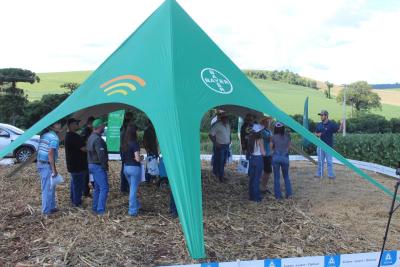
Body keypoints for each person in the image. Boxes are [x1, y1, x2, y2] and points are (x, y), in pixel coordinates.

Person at [36, 121, 62, 215]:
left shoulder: (45, 134)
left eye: (59, 123)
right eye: (57, 124)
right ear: (52, 126)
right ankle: (46, 211)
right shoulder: (54, 137)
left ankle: (51, 207)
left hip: (41, 163)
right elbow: (50, 153)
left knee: (50, 187)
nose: (60, 125)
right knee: (47, 188)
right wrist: (54, 169)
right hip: (46, 164)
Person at [87, 118, 109, 215]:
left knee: (97, 188)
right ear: (99, 127)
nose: (104, 127)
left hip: (91, 164)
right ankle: (100, 210)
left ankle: (95, 208)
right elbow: (101, 154)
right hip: (97, 165)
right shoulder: (98, 139)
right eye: (103, 126)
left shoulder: (91, 137)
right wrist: (105, 166)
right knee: (104, 187)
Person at [65, 118, 87, 207]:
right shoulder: (73, 137)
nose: (77, 125)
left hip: (73, 164)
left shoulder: (69, 136)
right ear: (70, 125)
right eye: (76, 123)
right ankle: (77, 203)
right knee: (78, 185)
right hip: (77, 165)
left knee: (74, 183)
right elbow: (84, 149)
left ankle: (73, 199)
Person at [121, 124, 142, 216]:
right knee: (133, 189)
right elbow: (137, 159)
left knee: (132, 188)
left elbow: (122, 158)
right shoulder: (134, 143)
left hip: (126, 168)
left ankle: (137, 205)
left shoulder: (123, 144)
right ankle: (132, 210)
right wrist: (141, 157)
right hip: (134, 168)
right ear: (134, 133)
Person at [315, 110, 343, 179]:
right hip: (320, 146)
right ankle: (319, 174)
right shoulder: (319, 124)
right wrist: (318, 134)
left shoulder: (331, 124)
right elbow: (315, 133)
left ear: (326, 116)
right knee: (320, 161)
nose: (321, 117)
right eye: (320, 115)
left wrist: (342, 124)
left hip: (328, 147)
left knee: (329, 162)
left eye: (322, 115)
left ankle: (330, 175)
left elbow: (339, 130)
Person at [271, 122, 292, 199]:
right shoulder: (288, 136)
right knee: (286, 176)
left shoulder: (273, 137)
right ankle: (289, 194)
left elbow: (271, 148)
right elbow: (289, 148)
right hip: (285, 157)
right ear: (283, 128)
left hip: (276, 157)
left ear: (275, 128)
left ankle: (278, 196)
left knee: (276, 177)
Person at [209, 111, 231, 182]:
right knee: (220, 161)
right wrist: (215, 143)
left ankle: (218, 174)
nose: (226, 119)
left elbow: (229, 134)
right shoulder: (217, 125)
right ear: (221, 118)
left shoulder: (228, 125)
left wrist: (230, 139)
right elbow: (210, 134)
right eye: (224, 118)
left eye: (227, 118)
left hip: (227, 145)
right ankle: (220, 176)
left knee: (224, 161)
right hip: (220, 146)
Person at [247, 124, 266, 202]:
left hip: (252, 158)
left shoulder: (250, 138)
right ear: (259, 131)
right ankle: (257, 198)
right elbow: (263, 152)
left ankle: (251, 196)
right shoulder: (260, 139)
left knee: (252, 178)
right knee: (257, 179)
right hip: (258, 159)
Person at [81, 116, 95, 197]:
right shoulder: (86, 131)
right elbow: (84, 142)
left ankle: (87, 190)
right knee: (87, 174)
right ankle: (86, 191)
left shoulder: (88, 130)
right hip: (87, 156)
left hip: (88, 156)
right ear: (90, 123)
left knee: (88, 174)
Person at [120, 112, 133, 193]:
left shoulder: (123, 128)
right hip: (125, 150)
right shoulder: (126, 129)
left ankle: (124, 187)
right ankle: (124, 187)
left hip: (123, 150)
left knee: (124, 168)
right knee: (125, 168)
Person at [260, 117, 273, 193]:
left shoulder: (268, 130)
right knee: (267, 171)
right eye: (267, 122)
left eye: (269, 122)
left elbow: (272, 139)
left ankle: (263, 186)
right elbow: (270, 139)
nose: (268, 123)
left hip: (268, 153)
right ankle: (263, 187)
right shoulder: (263, 131)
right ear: (263, 123)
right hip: (265, 154)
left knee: (267, 171)